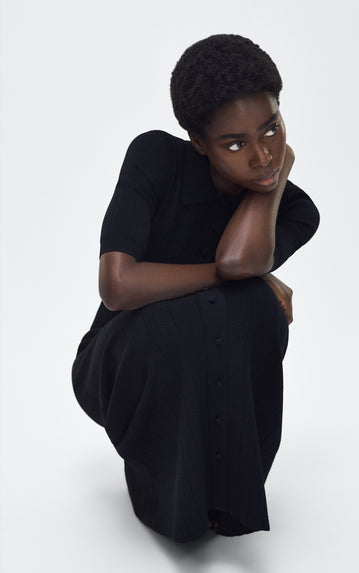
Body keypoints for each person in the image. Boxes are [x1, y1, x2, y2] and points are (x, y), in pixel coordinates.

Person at [71, 33, 320, 544]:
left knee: (256, 307)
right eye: (235, 144)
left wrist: (277, 179)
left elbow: (240, 260)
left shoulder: (295, 211)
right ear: (198, 143)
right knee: (194, 313)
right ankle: (167, 491)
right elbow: (118, 285)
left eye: (272, 129)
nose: (262, 156)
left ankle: (228, 494)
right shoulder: (155, 157)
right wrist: (237, 274)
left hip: (201, 355)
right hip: (119, 359)